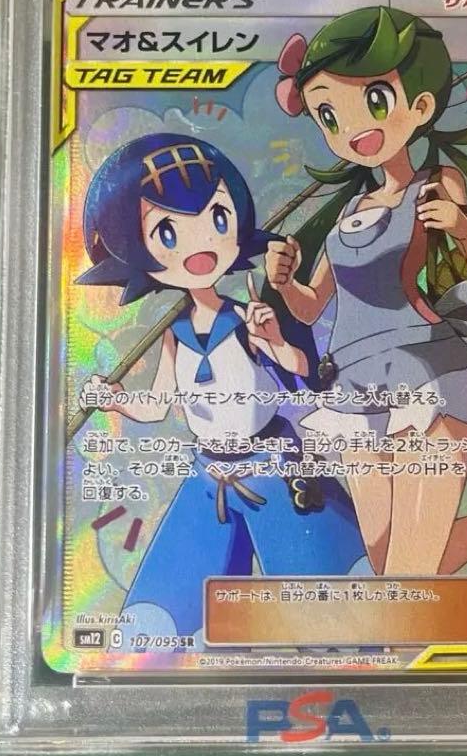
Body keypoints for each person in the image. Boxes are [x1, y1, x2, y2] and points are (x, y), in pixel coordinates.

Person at [266, 8, 467, 576]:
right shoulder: (350, 209)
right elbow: (312, 307)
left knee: (408, 570)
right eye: (328, 114)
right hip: (353, 387)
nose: (351, 127)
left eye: (373, 101)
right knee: (387, 562)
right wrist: (284, 283)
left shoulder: (436, 184)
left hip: (425, 371)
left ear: (419, 106)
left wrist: (463, 227)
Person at [78, 133, 366, 642]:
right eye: (168, 231)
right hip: (208, 477)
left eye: (216, 218)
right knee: (165, 620)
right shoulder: (174, 333)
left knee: (332, 615)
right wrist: (114, 400)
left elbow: (301, 373)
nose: (199, 245)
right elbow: (159, 406)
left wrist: (273, 340)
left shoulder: (247, 318)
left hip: (272, 469)